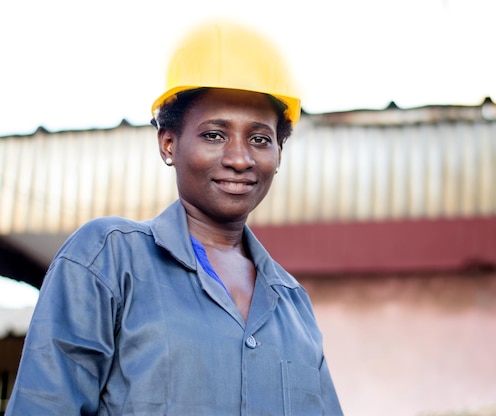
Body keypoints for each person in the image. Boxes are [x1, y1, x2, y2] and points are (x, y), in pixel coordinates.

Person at [7, 20, 343, 415]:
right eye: (214, 135)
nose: (239, 158)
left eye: (259, 139)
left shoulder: (292, 304)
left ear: (279, 154)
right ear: (169, 143)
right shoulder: (108, 260)